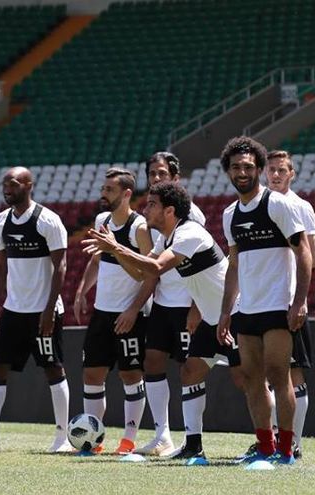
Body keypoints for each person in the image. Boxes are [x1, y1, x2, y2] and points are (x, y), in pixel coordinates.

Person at [83, 181, 242, 465]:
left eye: (152, 205)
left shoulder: (189, 232)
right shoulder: (165, 238)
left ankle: (276, 443)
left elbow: (156, 267)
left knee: (248, 379)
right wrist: (116, 251)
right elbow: (146, 269)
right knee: (190, 373)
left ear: (169, 211)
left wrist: (116, 246)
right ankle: (193, 446)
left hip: (234, 315)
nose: (146, 209)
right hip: (211, 319)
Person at [218, 136, 312, 465]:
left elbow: (304, 253)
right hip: (247, 309)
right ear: (228, 172)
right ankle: (265, 447)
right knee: (252, 380)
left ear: (259, 169)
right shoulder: (229, 214)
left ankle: (286, 451)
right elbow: (233, 265)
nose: (242, 172)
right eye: (235, 167)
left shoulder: (277, 204)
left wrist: (299, 301)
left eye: (248, 166)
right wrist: (226, 312)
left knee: (278, 375)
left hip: (278, 306)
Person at [0, 167, 71, 453]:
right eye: (4, 184)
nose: (7, 189)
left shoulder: (48, 220)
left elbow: (61, 267)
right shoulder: (1, 221)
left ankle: (62, 439)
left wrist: (49, 310)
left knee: (53, 368)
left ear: (29, 185)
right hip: (13, 310)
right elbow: (0, 266)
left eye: (13, 184)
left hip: (43, 311)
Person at [74, 168, 153, 455]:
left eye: (109, 189)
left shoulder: (139, 227)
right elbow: (97, 259)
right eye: (103, 189)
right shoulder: (102, 220)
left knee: (131, 375)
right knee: (92, 374)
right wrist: (82, 290)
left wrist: (133, 309)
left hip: (129, 314)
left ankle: (128, 440)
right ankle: (93, 440)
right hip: (102, 312)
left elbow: (146, 274)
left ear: (127, 193)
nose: (103, 194)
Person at [132, 152, 206, 457]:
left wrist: (196, 306)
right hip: (163, 302)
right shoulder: (153, 215)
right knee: (152, 361)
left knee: (192, 369)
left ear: (176, 178)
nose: (156, 178)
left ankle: (193, 438)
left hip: (187, 302)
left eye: (162, 173)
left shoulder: (192, 216)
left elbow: (201, 263)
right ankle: (162, 435)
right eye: (152, 174)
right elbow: (152, 266)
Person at [263, 150, 315, 460]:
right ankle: (270, 440)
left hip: (288, 300)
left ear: (292, 173)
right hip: (261, 301)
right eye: (271, 169)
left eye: (281, 170)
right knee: (266, 374)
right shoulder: (259, 205)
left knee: (293, 373)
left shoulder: (300, 207)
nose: (275, 175)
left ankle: (293, 442)